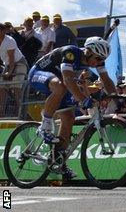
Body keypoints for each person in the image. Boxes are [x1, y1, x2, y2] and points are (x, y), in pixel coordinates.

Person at [28, 36, 116, 179]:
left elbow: (106, 79)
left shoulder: (97, 60)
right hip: (38, 73)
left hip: (60, 80)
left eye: (102, 59)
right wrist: (83, 100)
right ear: (88, 52)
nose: (100, 62)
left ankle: (58, 162)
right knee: (60, 86)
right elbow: (68, 80)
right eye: (98, 58)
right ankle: (45, 125)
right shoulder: (71, 52)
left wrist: (117, 97)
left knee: (69, 118)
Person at [0, 23, 29, 117]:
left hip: (19, 63)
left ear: (4, 31)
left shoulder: (9, 40)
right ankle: (1, 113)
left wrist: (10, 72)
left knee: (16, 87)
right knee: (1, 88)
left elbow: (11, 58)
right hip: (7, 64)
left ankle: (21, 113)